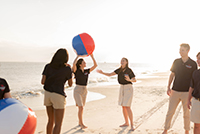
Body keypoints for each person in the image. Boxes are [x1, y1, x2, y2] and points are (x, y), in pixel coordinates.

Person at [162, 43, 197, 134]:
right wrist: (168, 87)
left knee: (187, 114)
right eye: (180, 50)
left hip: (187, 92)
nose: (180, 52)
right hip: (175, 91)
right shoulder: (176, 61)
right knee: (170, 112)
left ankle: (187, 131)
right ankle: (165, 130)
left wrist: (192, 93)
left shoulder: (193, 64)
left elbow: (194, 80)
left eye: (182, 50)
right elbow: (172, 74)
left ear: (188, 51)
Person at [97, 57, 136, 131]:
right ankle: (126, 122)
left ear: (126, 62)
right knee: (123, 106)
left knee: (127, 106)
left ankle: (132, 125)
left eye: (123, 61)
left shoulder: (129, 70)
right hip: (122, 88)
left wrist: (129, 79)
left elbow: (134, 80)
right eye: (121, 60)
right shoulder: (119, 70)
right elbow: (109, 74)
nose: (122, 62)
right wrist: (102, 72)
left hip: (128, 88)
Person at [41, 48, 73, 134]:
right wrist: (70, 73)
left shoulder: (48, 66)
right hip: (58, 95)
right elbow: (70, 84)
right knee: (58, 124)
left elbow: (43, 82)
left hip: (47, 94)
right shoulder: (67, 69)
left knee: (50, 121)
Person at [72, 53, 97, 129]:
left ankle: (80, 122)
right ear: (80, 64)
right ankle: (81, 123)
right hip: (78, 90)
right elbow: (74, 64)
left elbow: (95, 65)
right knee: (81, 107)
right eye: (84, 62)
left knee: (81, 108)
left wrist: (92, 56)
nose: (85, 63)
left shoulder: (86, 71)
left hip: (85, 90)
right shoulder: (76, 70)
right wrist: (77, 56)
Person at [187, 52, 200, 134]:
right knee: (196, 125)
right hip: (196, 101)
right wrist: (189, 100)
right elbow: (191, 87)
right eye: (197, 59)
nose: (198, 61)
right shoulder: (195, 73)